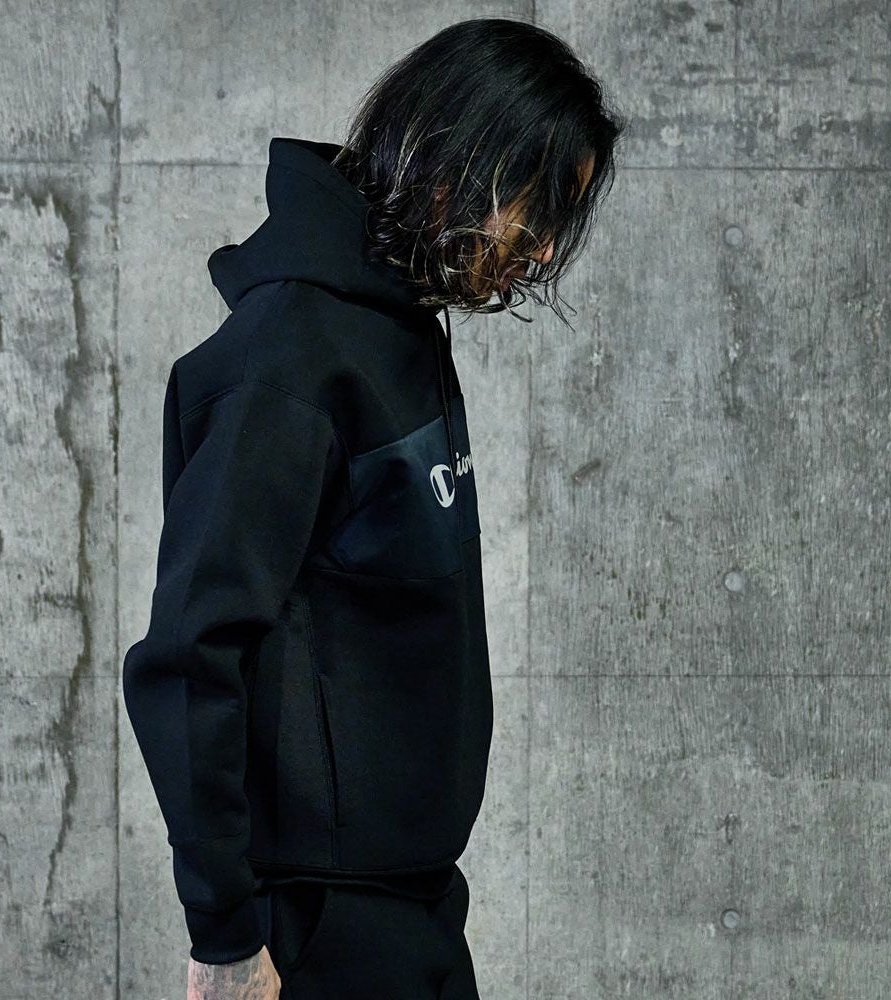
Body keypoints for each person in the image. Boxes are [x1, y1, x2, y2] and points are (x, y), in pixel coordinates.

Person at [121, 16, 626, 1000]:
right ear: (453, 153)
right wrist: (226, 938)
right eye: (533, 203)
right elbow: (189, 653)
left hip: (412, 907)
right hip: (316, 928)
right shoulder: (289, 357)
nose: (540, 248)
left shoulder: (401, 330)